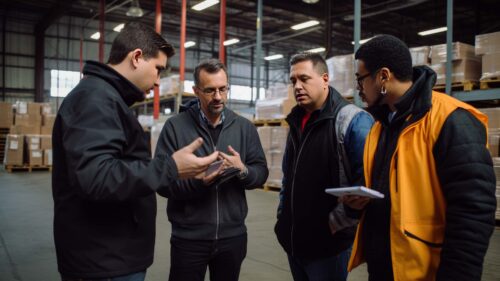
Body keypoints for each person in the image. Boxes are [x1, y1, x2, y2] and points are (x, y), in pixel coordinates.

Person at [52, 22, 220, 281]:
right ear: (137, 57)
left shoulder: (106, 97)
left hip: (111, 253)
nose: (157, 81)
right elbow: (96, 177)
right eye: (158, 69)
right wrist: (171, 167)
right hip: (104, 260)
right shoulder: (95, 99)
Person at [344, 34, 497, 281]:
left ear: (383, 76)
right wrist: (355, 207)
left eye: (360, 79)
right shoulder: (380, 127)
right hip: (385, 267)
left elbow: (474, 210)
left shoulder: (452, 120)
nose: (358, 88)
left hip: (427, 271)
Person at [154, 58, 269, 281]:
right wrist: (200, 183)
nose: (217, 96)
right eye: (209, 90)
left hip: (232, 237)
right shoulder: (175, 127)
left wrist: (243, 170)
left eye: (222, 89)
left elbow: (261, 172)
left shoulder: (244, 127)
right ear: (196, 91)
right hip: (189, 238)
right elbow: (161, 182)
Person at [274, 52, 374, 281]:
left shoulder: (353, 121)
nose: (297, 86)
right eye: (293, 81)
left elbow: (365, 185)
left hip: (328, 248)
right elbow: (288, 176)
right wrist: (283, 216)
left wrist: (335, 225)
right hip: (294, 241)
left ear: (325, 79)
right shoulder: (297, 122)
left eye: (304, 78)